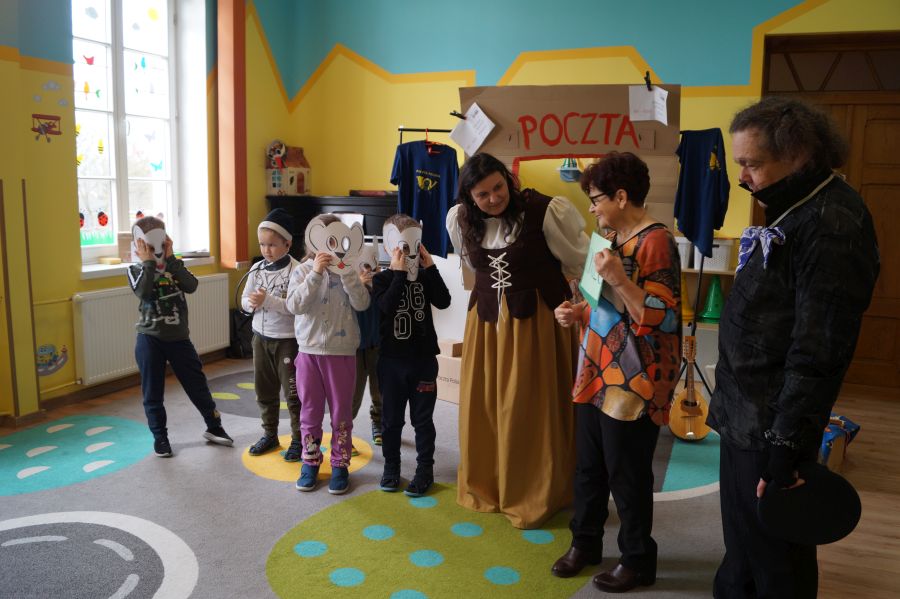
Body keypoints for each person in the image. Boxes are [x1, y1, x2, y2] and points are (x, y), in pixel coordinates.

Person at [709, 96, 879, 598]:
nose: (743, 178)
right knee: (742, 544)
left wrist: (784, 449)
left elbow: (818, 352)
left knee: (777, 558)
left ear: (799, 153)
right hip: (743, 414)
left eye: (752, 164)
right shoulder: (795, 209)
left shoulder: (832, 223)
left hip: (771, 425)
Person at [551, 152, 681, 592]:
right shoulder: (607, 237)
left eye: (596, 199)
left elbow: (663, 317)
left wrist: (620, 280)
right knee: (588, 467)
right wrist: (576, 311)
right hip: (595, 370)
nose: (592, 208)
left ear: (621, 197)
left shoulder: (657, 241)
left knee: (627, 475)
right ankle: (585, 542)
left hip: (634, 379)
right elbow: (600, 303)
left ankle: (637, 559)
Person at [446, 152, 589, 529]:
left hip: (536, 323)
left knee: (530, 405)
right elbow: (471, 265)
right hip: (486, 324)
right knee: (486, 403)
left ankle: (536, 488)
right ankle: (490, 483)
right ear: (469, 197)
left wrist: (582, 308)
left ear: (508, 181)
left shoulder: (547, 211)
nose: (494, 198)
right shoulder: (459, 219)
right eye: (483, 194)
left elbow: (580, 262)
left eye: (499, 187)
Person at [127, 216, 233, 457]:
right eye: (148, 245)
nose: (155, 249)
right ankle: (160, 437)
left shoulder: (174, 266)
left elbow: (191, 285)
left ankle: (214, 426)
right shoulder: (136, 270)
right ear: (139, 244)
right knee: (152, 391)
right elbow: (143, 291)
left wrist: (172, 259)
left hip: (178, 338)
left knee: (197, 384)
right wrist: (148, 262)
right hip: (149, 338)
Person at [285, 214, 371, 495]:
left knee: (341, 413)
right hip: (308, 352)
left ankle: (340, 464)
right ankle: (310, 461)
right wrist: (315, 273)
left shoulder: (349, 270)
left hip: (341, 353)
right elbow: (294, 305)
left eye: (334, 241)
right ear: (312, 241)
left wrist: (347, 274)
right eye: (324, 240)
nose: (329, 246)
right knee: (309, 411)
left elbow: (362, 303)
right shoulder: (302, 271)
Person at [372, 214, 452, 496]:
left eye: (414, 246)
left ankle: (425, 470)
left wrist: (431, 268)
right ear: (389, 247)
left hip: (423, 361)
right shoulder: (381, 279)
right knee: (391, 420)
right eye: (403, 247)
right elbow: (387, 307)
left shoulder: (425, 277)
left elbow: (444, 301)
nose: (410, 254)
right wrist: (398, 274)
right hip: (391, 363)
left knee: (422, 419)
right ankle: (391, 467)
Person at [241, 208, 302, 461]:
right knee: (264, 390)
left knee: (294, 394)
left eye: (273, 245)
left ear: (287, 243)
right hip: (260, 339)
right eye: (262, 244)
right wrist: (251, 304)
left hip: (287, 341)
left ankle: (299, 439)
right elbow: (244, 300)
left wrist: (267, 300)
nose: (266, 250)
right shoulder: (257, 269)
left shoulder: (297, 271)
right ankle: (270, 433)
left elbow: (295, 307)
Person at [350, 243, 384, 448]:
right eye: (362, 267)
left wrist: (380, 282)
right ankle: (344, 431)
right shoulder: (349, 286)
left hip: (378, 346)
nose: (367, 271)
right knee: (352, 394)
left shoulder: (382, 284)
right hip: (355, 348)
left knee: (379, 390)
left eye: (371, 267)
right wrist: (359, 286)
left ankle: (378, 422)